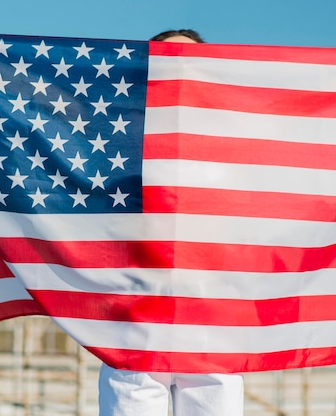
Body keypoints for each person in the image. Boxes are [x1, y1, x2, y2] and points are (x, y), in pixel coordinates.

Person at [97, 29, 245, 416]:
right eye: (168, 56)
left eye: (188, 57)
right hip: (136, 323)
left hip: (215, 323)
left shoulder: (239, 139)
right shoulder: (114, 139)